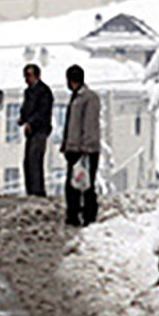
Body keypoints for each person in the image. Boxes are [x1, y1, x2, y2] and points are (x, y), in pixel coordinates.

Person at [60, 64, 101, 226]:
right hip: (73, 148)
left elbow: (89, 123)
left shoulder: (89, 98)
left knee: (85, 184)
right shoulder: (76, 98)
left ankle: (88, 215)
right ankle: (73, 214)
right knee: (73, 185)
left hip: (85, 150)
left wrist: (86, 145)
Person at [18, 63, 53, 197]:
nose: (27, 79)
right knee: (28, 161)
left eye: (29, 76)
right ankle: (30, 190)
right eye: (25, 76)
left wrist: (31, 122)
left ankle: (37, 191)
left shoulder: (44, 91)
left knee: (35, 159)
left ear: (37, 76)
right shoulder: (29, 91)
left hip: (40, 130)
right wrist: (22, 118)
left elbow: (43, 111)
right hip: (31, 131)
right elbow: (26, 107)